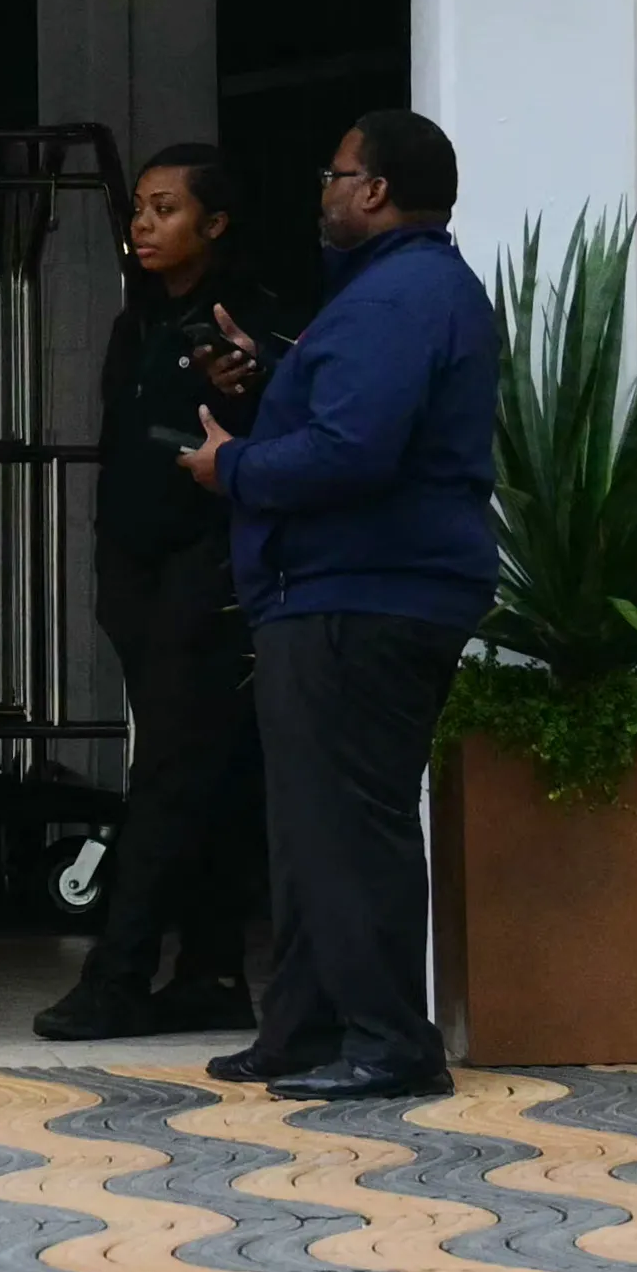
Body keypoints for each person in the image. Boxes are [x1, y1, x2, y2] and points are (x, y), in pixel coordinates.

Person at [180, 107, 497, 1098]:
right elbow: (349, 416)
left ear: (375, 191)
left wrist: (233, 465)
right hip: (346, 588)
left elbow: (354, 453)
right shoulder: (387, 295)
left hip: (363, 592)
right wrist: (269, 380)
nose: (321, 189)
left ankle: (392, 1043)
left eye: (335, 171)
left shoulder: (396, 298)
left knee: (351, 823)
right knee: (314, 821)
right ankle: (307, 1027)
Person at [33, 143, 287, 1042]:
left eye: (166, 209)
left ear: (214, 224)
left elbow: (261, 419)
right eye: (139, 207)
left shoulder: (247, 323)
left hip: (208, 569)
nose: (143, 225)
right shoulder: (139, 317)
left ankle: (120, 973)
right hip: (136, 569)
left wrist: (235, 380)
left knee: (171, 773)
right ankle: (213, 971)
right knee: (197, 770)